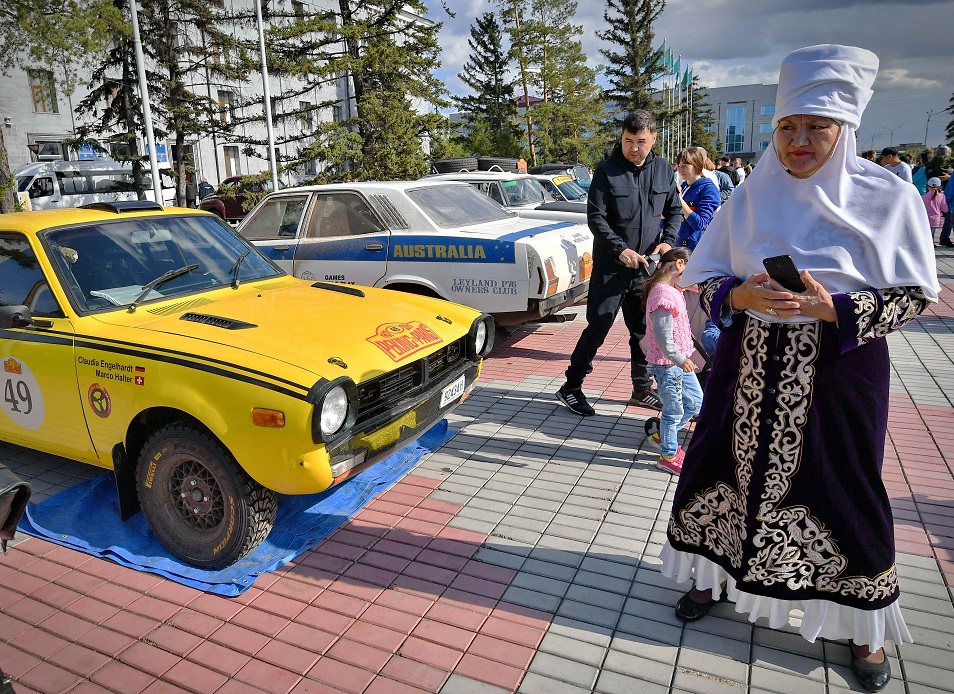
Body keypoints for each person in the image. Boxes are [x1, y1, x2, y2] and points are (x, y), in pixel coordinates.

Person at [659, 45, 939, 694]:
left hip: (839, 372)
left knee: (843, 486)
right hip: (747, 364)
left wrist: (832, 306)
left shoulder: (886, 196)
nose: (800, 140)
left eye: (817, 126)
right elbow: (708, 280)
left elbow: (914, 292)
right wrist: (739, 296)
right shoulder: (754, 192)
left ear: (844, 132)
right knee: (716, 469)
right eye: (788, 127)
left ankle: (862, 625)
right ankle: (711, 577)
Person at [555, 110, 682, 416]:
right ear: (622, 138)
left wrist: (668, 241)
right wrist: (620, 249)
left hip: (646, 270)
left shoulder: (664, 170)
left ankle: (642, 389)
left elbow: (675, 211)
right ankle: (571, 387)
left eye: (641, 141)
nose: (634, 147)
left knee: (642, 331)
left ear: (654, 138)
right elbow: (596, 218)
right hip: (612, 268)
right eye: (628, 140)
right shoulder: (606, 171)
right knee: (598, 327)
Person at [642, 247, 702, 475]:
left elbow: (696, 286)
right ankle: (668, 454)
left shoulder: (672, 288)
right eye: (690, 267)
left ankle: (663, 436)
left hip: (680, 362)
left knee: (695, 402)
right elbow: (663, 336)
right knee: (673, 410)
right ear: (679, 264)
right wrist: (679, 358)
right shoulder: (661, 295)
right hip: (668, 365)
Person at [675, 147, 721, 250]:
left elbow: (700, 224)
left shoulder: (708, 189)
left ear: (696, 165)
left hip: (697, 249)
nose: (680, 170)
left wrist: (679, 200)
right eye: (678, 166)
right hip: (679, 246)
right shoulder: (683, 186)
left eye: (684, 166)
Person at [922, 177, 949, 243]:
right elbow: (945, 209)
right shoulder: (942, 196)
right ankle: (931, 245)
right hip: (935, 220)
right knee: (932, 233)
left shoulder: (923, 197)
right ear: (940, 187)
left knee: (926, 234)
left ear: (928, 186)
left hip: (925, 219)